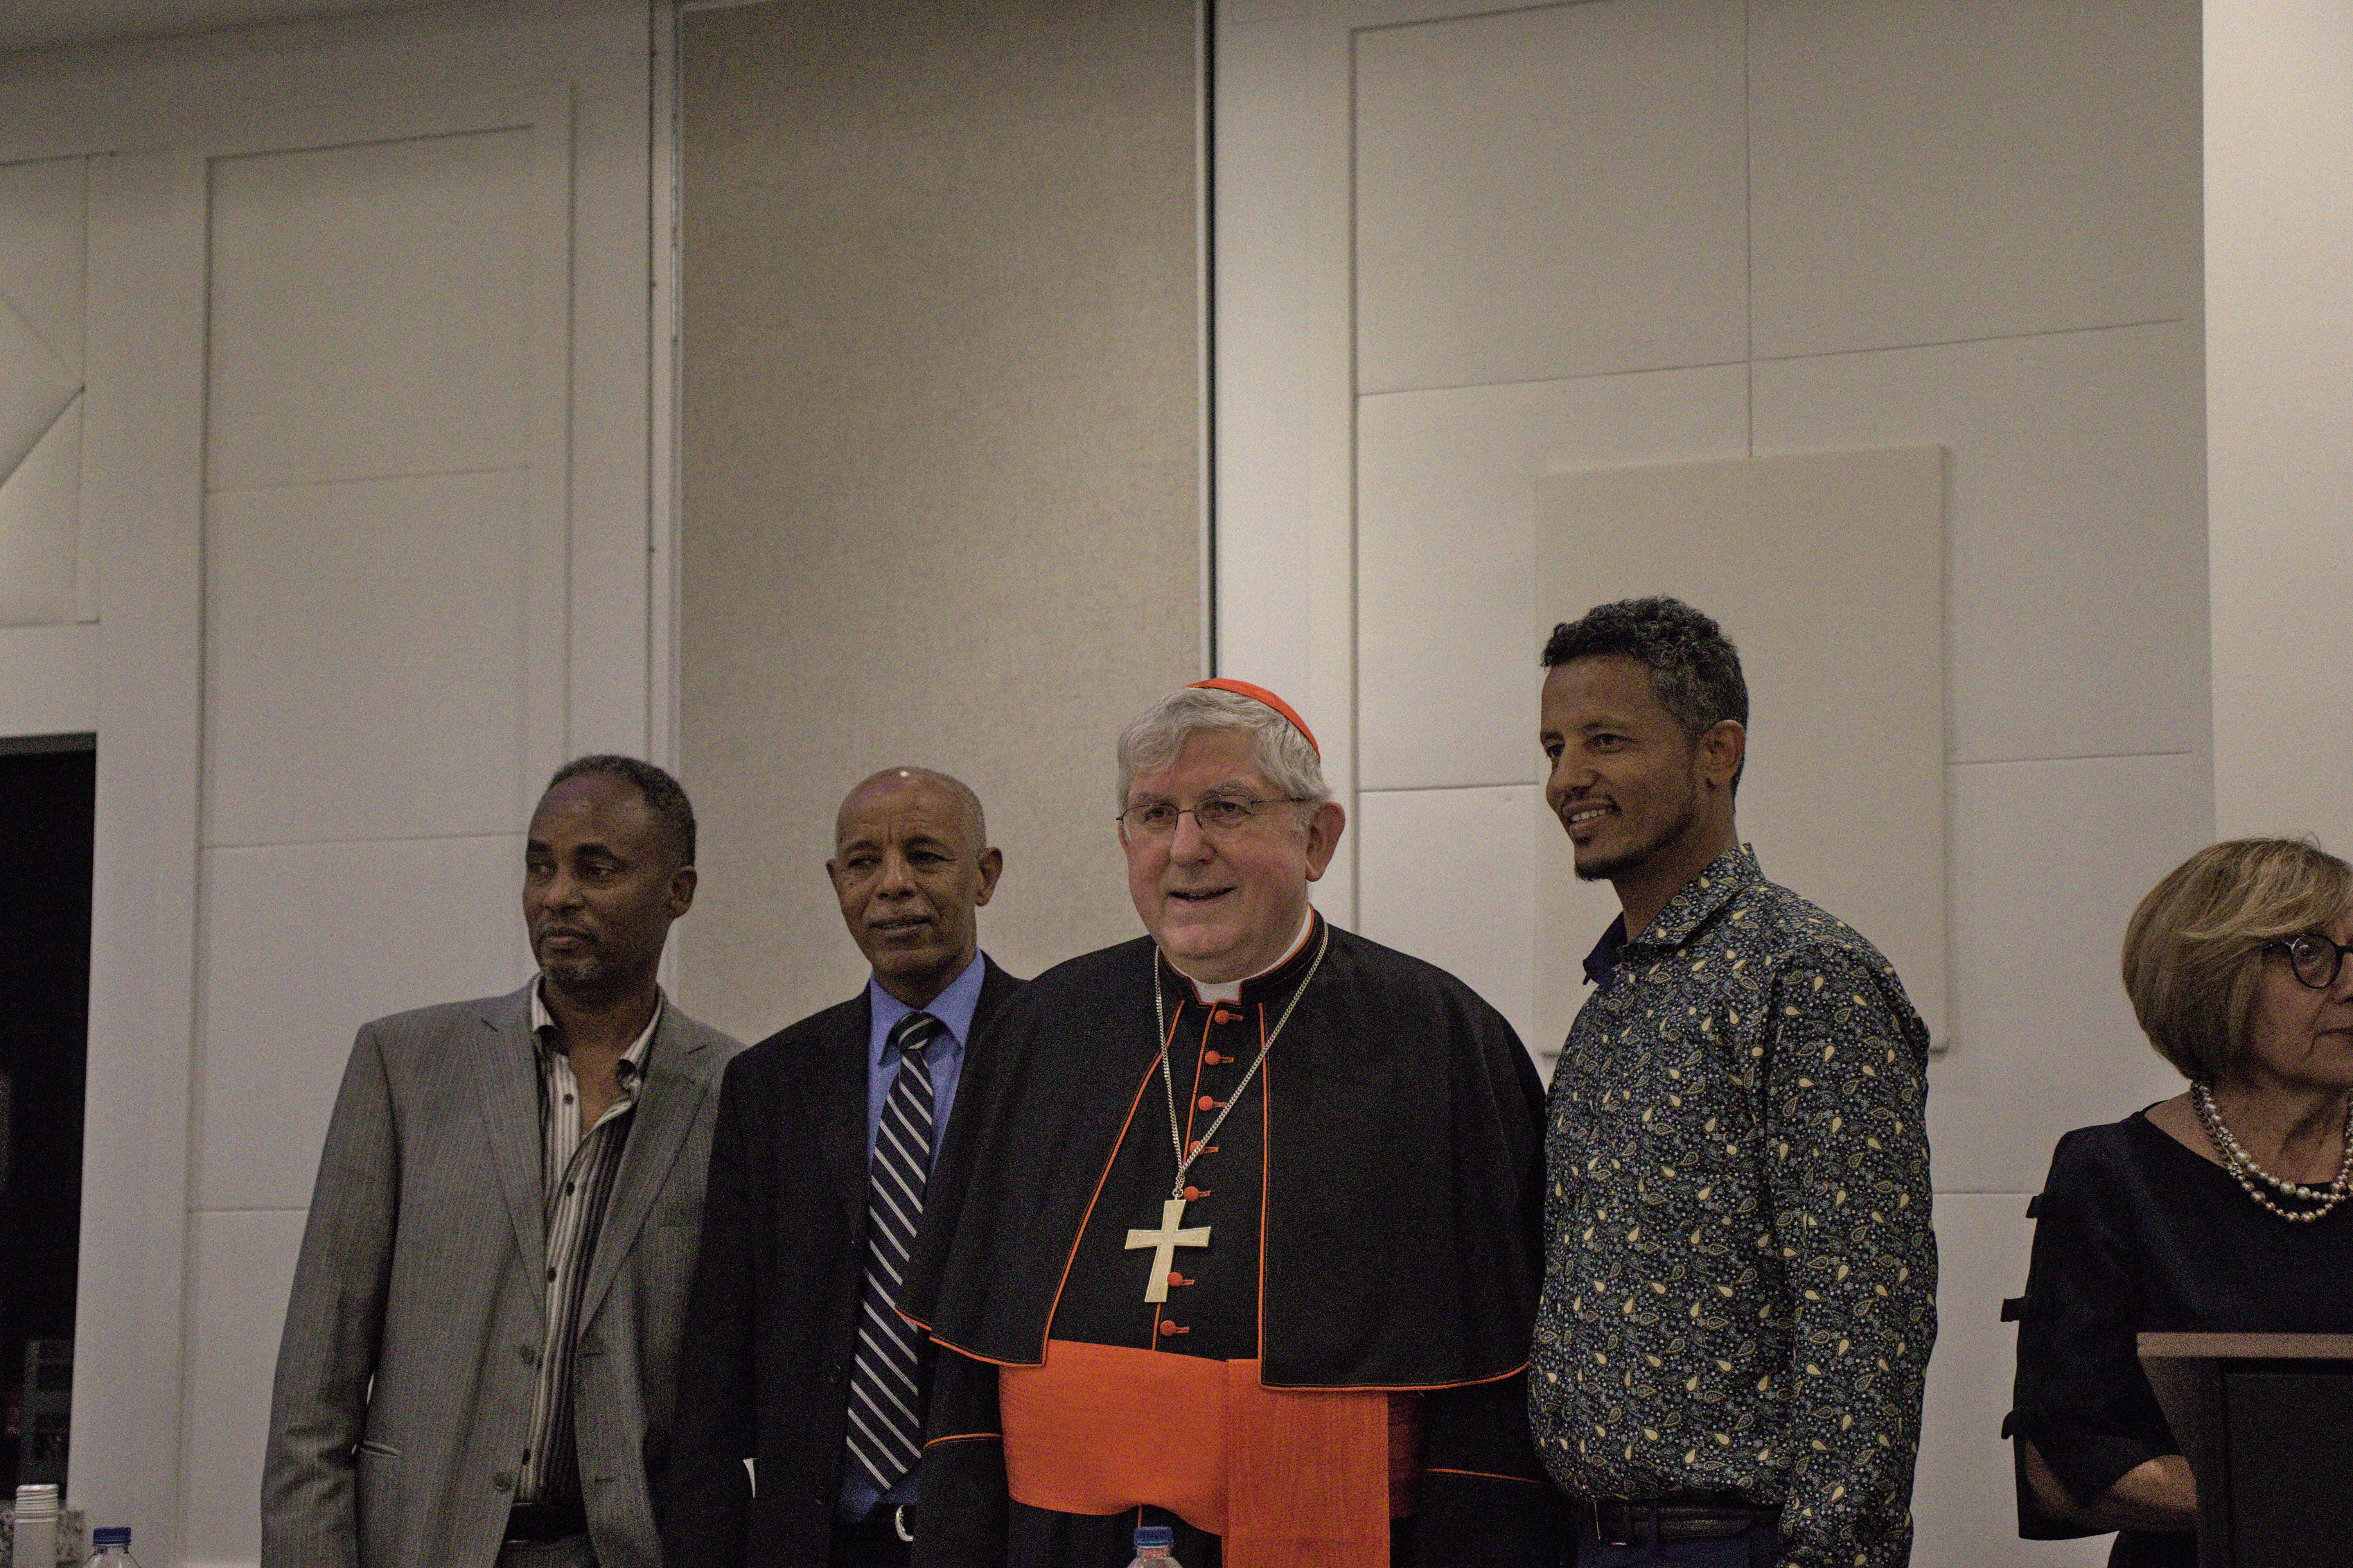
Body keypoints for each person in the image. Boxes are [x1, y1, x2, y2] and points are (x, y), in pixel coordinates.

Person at [897, 678, 1563, 1568]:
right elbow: (966, 1382)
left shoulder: (1441, 1040)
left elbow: (1488, 1406)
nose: (1183, 849)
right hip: (1060, 1543)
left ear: (1316, 837)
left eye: (1226, 809)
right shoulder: (1041, 1031)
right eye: (1152, 815)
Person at [1527, 597, 1936, 1568]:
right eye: (1551, 746)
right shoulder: (1615, 996)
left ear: (1717, 752)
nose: (1565, 779)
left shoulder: (1803, 974)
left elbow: (1864, 1312)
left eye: (1605, 740)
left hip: (1733, 1543)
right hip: (1594, 1540)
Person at [262, 757, 742, 1568]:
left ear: (678, 891)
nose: (557, 894)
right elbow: (316, 1386)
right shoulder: (404, 1065)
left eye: (596, 868)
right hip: (423, 1545)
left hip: (627, 1549)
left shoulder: (737, 1092)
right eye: (539, 867)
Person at [662, 768, 1022, 1568]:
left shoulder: (1056, 1055)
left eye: (925, 856)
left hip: (1003, 1535)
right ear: (836, 884)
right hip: (818, 1541)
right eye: (862, 864)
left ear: (984, 874)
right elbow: (719, 1353)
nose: (892, 887)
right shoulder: (771, 1082)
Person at [2008, 836, 2353, 1568]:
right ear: (2214, 978)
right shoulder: (2114, 1175)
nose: (2350, 984)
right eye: (2312, 955)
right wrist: (2297, 1503)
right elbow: (2066, 1457)